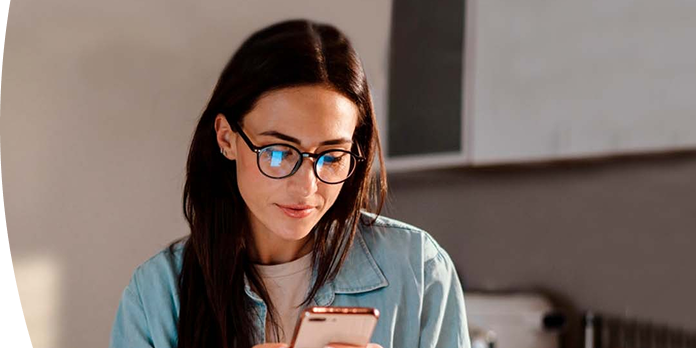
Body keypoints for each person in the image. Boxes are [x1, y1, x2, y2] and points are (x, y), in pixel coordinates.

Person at [108, 19, 471, 348]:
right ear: (226, 138)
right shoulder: (157, 293)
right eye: (279, 153)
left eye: (331, 157)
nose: (306, 188)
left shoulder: (417, 270)